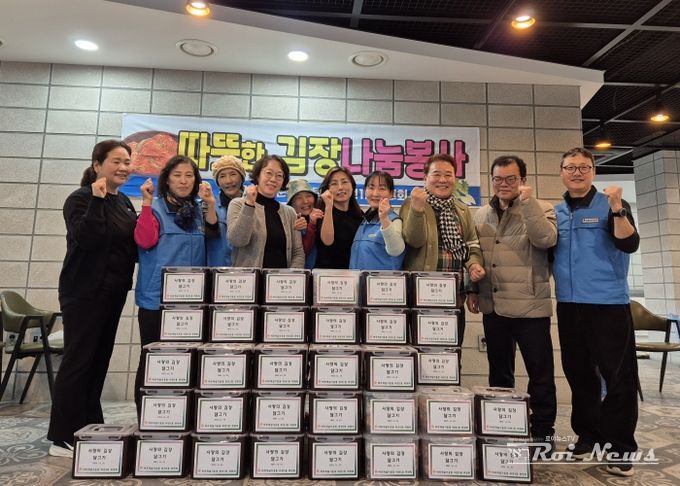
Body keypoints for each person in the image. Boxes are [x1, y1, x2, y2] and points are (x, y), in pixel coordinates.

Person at [47, 140, 138, 458]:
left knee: (98, 360)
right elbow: (87, 238)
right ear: (98, 164)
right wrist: (97, 200)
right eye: (116, 161)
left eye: (127, 162)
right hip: (84, 291)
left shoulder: (124, 201)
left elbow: (132, 245)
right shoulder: (81, 198)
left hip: (113, 292)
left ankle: (88, 424)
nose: (123, 167)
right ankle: (62, 437)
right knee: (78, 360)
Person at [553, 147, 639, 477]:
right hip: (569, 304)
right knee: (579, 373)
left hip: (608, 303)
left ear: (593, 171)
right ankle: (588, 437)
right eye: (570, 167)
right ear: (561, 172)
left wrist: (618, 209)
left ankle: (621, 446)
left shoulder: (611, 204)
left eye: (583, 167)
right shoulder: (557, 212)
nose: (577, 172)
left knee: (618, 376)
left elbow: (629, 244)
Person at [466, 155, 557, 448]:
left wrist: (528, 204)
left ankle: (543, 432)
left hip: (531, 307)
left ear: (523, 180)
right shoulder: (481, 214)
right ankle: (503, 428)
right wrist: (473, 288)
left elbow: (545, 240)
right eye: (498, 179)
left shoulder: (542, 207)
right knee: (499, 373)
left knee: (540, 374)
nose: (503, 184)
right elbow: (474, 252)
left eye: (510, 179)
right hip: (494, 306)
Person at [134, 155, 217, 416]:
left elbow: (215, 239)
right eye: (177, 175)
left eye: (189, 175)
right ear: (167, 179)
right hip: (156, 300)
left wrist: (210, 204)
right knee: (152, 359)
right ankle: (146, 417)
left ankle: (179, 418)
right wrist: (146, 204)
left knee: (187, 362)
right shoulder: (155, 207)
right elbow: (144, 241)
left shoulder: (198, 211)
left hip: (191, 303)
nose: (183, 181)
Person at [400, 153, 485, 344]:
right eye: (436, 174)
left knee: (451, 354)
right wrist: (417, 210)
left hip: (454, 297)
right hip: (421, 297)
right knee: (420, 353)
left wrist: (473, 268)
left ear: (455, 178)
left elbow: (471, 245)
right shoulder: (411, 203)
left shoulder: (461, 209)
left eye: (448, 175)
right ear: (425, 178)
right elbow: (413, 240)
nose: (442, 180)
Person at [227, 155, 304, 268]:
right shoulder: (238, 204)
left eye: (279, 176)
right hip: (249, 278)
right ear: (258, 175)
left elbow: (298, 252)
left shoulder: (289, 212)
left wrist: (291, 274)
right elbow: (237, 241)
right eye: (268, 173)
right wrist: (249, 205)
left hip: (282, 278)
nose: (273, 179)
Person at [349, 170, 405, 270]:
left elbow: (396, 250)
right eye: (371, 187)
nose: (375, 193)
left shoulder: (394, 220)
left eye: (382, 188)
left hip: (383, 280)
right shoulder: (364, 221)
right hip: (358, 279)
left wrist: (384, 219)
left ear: (391, 193)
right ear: (365, 191)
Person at [315, 166, 363, 269]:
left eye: (344, 182)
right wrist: (328, 206)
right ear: (327, 189)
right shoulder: (321, 213)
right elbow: (327, 241)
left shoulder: (359, 215)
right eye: (334, 184)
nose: (340, 187)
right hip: (327, 274)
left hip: (354, 273)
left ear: (352, 186)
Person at [207, 155, 246, 266]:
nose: (228, 181)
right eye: (222, 176)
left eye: (233, 174)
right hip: (218, 269)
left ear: (242, 178)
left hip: (248, 269)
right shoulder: (209, 206)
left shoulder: (255, 205)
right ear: (217, 182)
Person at [287, 179, 323, 269]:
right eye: (299, 197)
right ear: (291, 203)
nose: (305, 201)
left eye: (309, 196)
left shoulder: (322, 217)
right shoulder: (289, 223)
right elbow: (302, 252)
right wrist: (312, 224)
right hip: (298, 274)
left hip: (321, 274)